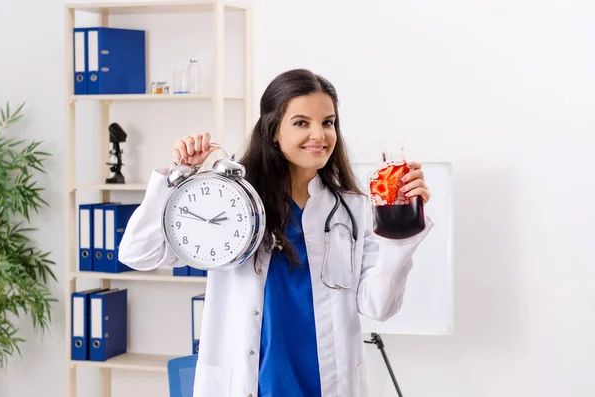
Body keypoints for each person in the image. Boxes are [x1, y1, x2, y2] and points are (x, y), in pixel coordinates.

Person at [118, 68, 434, 397]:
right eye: (301, 123)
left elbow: (379, 306)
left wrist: (402, 230)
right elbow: (137, 253)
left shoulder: (353, 209)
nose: (319, 135)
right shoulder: (230, 199)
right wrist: (178, 177)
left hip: (327, 385)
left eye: (328, 122)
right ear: (273, 131)